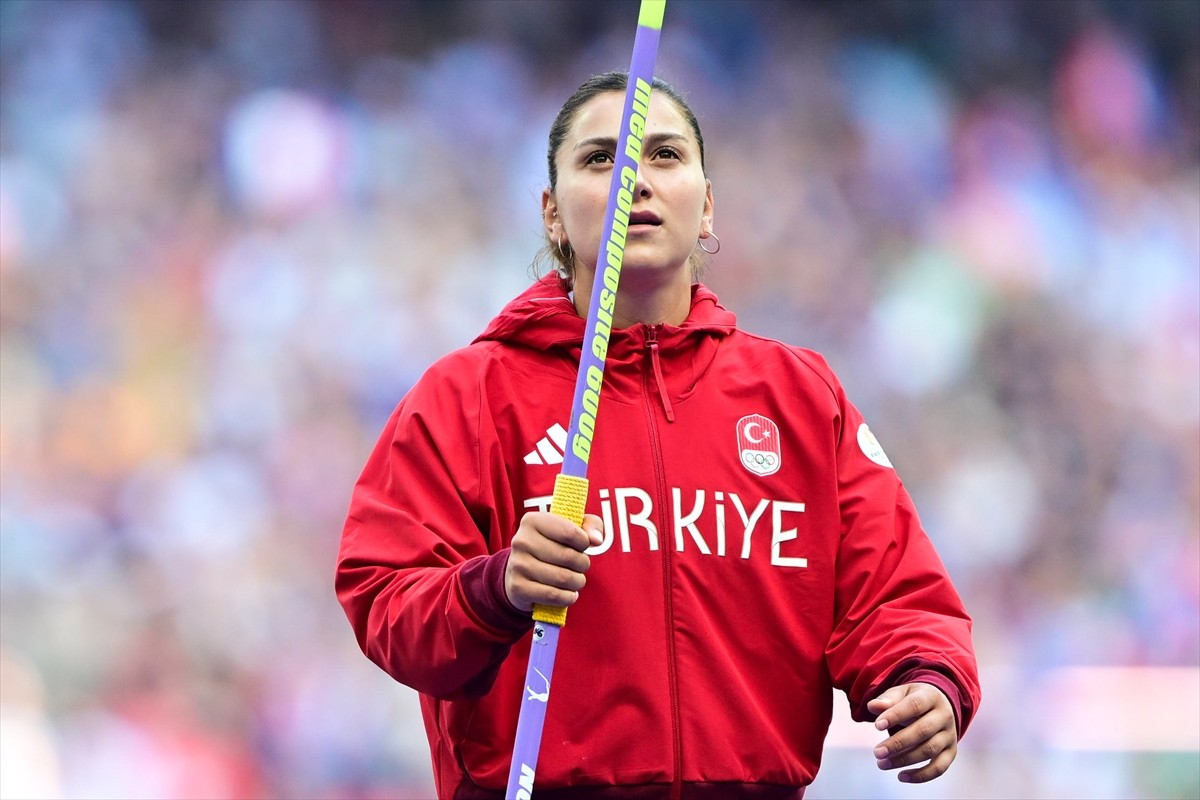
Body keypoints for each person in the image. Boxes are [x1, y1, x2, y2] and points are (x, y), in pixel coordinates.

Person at [336, 71, 981, 800]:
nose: (634, 180)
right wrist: (495, 588)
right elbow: (384, 597)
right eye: (599, 159)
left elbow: (895, 594)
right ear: (552, 215)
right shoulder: (468, 395)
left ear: (706, 207)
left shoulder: (801, 396)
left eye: (664, 155)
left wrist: (927, 682)